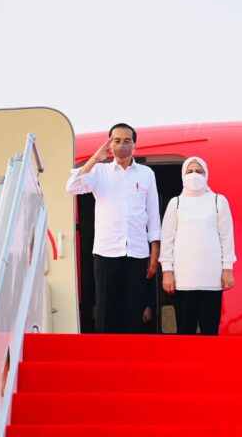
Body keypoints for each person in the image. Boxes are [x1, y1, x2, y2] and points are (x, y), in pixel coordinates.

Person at [66, 123, 161, 333]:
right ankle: (104, 359)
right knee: (106, 311)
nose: (122, 144)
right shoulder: (99, 171)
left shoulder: (146, 174)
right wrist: (95, 158)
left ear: (135, 145)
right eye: (116, 140)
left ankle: (131, 360)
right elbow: (72, 186)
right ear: (109, 144)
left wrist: (154, 253)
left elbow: (153, 216)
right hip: (106, 250)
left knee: (133, 311)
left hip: (137, 251)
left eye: (127, 140)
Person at [158, 156, 236, 335]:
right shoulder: (176, 203)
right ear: (183, 175)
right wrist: (167, 272)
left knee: (210, 330)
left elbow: (227, 238)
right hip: (184, 280)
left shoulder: (218, 201)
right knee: (185, 331)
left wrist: (228, 269)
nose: (194, 176)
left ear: (206, 174)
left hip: (212, 279)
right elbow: (167, 240)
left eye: (199, 172)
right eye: (190, 171)